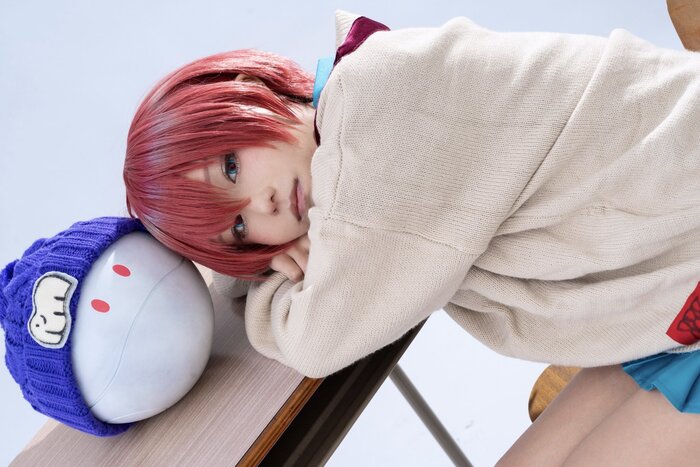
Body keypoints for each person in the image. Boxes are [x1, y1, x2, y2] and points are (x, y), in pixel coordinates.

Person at [123, 10, 700, 465]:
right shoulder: (351, 132)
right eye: (239, 227)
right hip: (661, 294)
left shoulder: (378, 104)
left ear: (250, 90)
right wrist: (263, 257)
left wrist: (270, 281)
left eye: (230, 167)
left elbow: (317, 342)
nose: (264, 203)